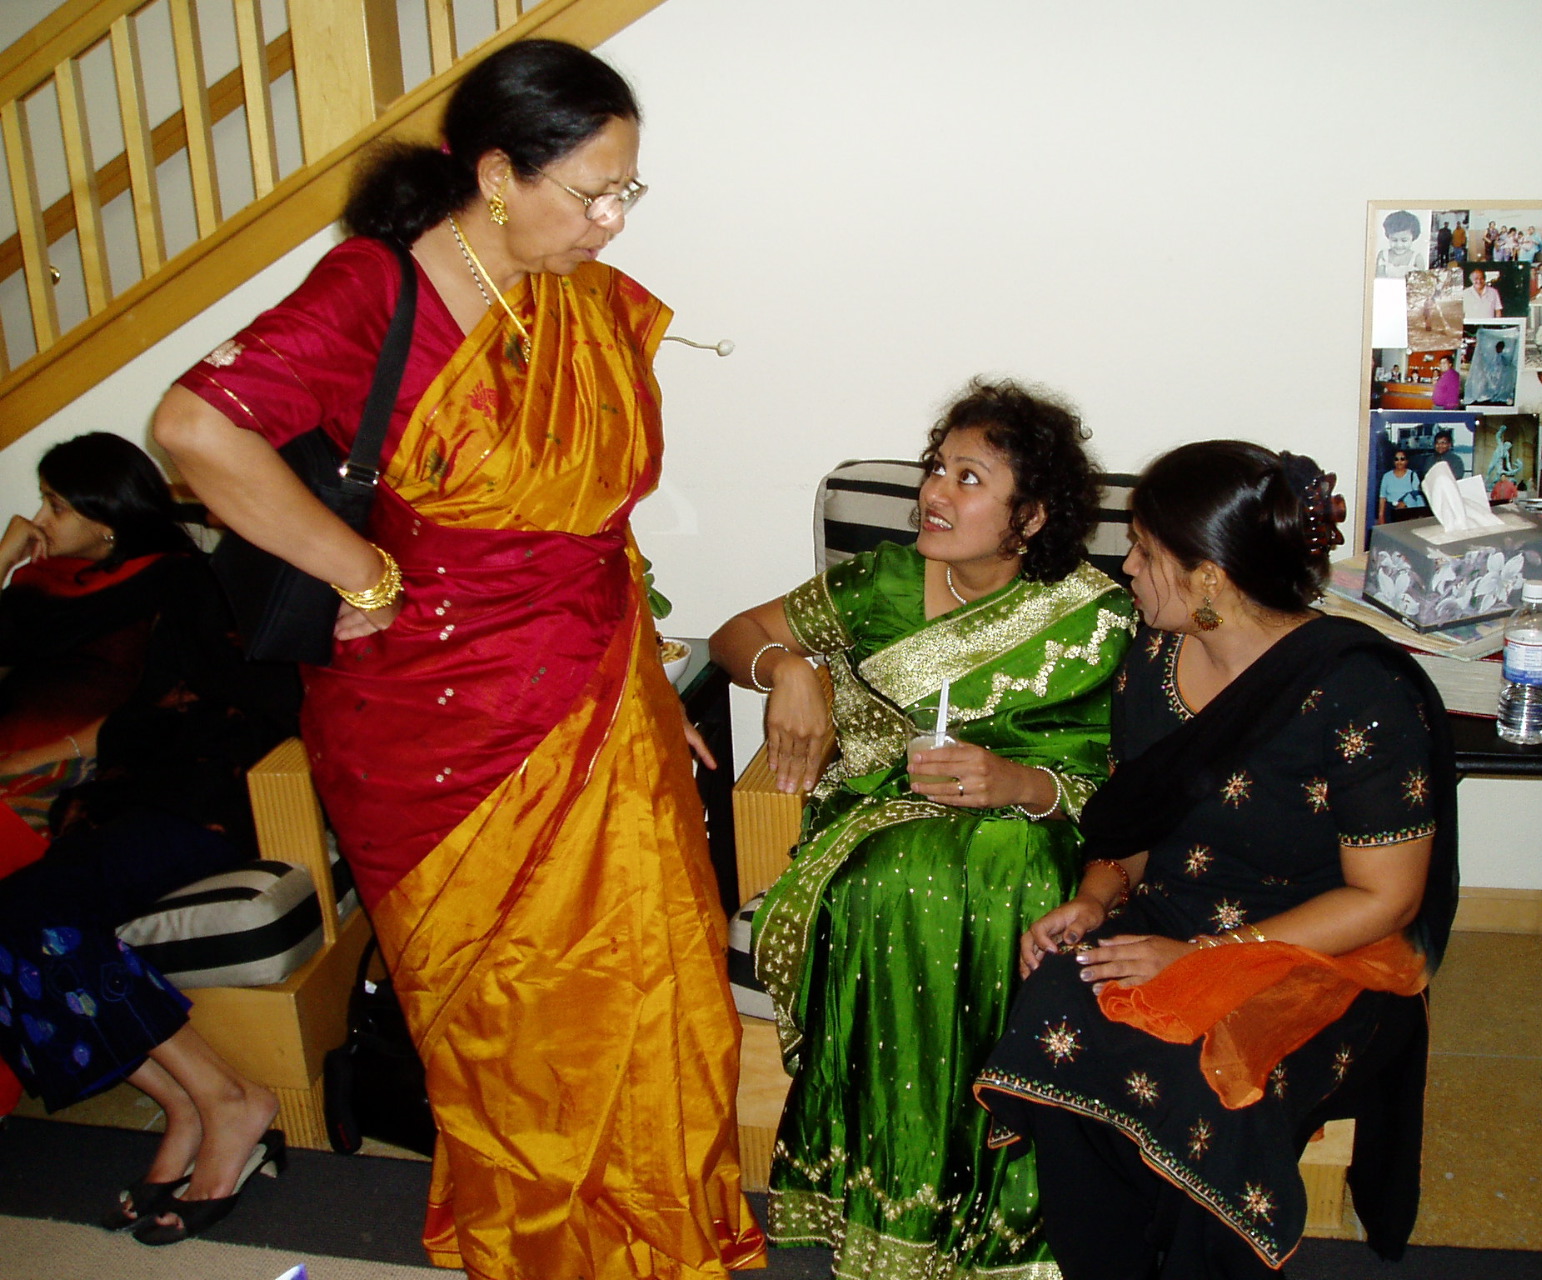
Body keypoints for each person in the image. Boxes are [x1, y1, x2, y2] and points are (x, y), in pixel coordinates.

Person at [151, 40, 762, 1277]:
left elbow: (598, 525)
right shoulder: (375, 293)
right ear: (494, 174)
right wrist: (354, 567)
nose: (611, 219)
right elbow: (194, 427)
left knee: (652, 999)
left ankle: (654, 1241)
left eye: (625, 191)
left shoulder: (575, 299)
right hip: (435, 730)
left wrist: (648, 675)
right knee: (510, 1028)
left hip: (595, 699)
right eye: (590, 190)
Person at [973, 441, 1457, 1279]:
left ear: (1207, 578)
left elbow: (1386, 899)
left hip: (1318, 954)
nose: (1125, 568)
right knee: (1055, 1003)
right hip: (1171, 916)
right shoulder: (1154, 664)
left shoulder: (1358, 691)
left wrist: (1201, 960)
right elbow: (1136, 818)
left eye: (1145, 553)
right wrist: (1095, 896)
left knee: (1213, 1083)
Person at [710, 380, 1133, 1278]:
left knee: (1001, 872)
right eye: (936, 468)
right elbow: (731, 634)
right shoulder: (882, 582)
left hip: (1034, 830)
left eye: (969, 478)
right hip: (874, 818)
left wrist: (1018, 782)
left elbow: (1129, 787)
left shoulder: (1098, 620)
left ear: (1031, 517)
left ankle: (1001, 1212)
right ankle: (889, 1201)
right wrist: (788, 667)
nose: (934, 494)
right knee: (889, 882)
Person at [0, 475, 300, 1244]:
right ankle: (189, 1106)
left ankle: (229, 1102)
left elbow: (236, 705)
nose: (43, 519)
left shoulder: (187, 579)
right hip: (126, 797)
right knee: (17, 922)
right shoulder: (77, 591)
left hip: (203, 799)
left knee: (33, 913)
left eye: (61, 503)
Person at [0, 435, 199, 832]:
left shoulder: (174, 581)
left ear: (107, 520)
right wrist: (3, 559)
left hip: (78, 765)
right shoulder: (39, 578)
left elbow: (162, 705)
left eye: (55, 506)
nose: (38, 520)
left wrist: (26, 761)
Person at [1463, 337, 1516, 405]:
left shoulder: (1501, 359)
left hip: (1497, 383)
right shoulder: (1496, 358)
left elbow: (1499, 370)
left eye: (1500, 348)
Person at [1376, 450, 1424, 523]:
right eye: (1396, 459)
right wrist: (1381, 516)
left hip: (1407, 511)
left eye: (1402, 459)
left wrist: (1405, 503)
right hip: (1390, 512)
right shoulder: (1387, 476)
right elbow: (1382, 497)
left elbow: (1416, 494)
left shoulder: (1412, 475)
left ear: (1407, 461)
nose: (1399, 462)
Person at [1376, 210, 1425, 278]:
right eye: (1394, 240)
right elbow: (1379, 280)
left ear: (1413, 237)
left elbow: (1421, 283)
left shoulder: (1417, 258)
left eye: (1404, 240)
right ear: (1388, 236)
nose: (1399, 245)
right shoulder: (1383, 255)